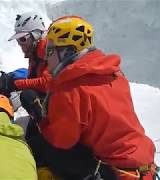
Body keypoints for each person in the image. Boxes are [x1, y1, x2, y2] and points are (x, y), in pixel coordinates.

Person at [34, 15, 156, 179]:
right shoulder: (115, 74)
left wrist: (39, 119)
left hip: (113, 172)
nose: (46, 57)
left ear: (67, 51)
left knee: (41, 146)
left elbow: (62, 140)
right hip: (144, 164)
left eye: (49, 51)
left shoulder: (69, 90)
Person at [7, 12, 52, 140]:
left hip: (54, 102)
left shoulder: (47, 51)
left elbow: (47, 83)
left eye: (22, 39)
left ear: (36, 35)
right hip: (47, 100)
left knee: (27, 95)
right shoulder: (34, 51)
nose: (20, 44)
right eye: (18, 40)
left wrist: (20, 84)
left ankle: (45, 129)